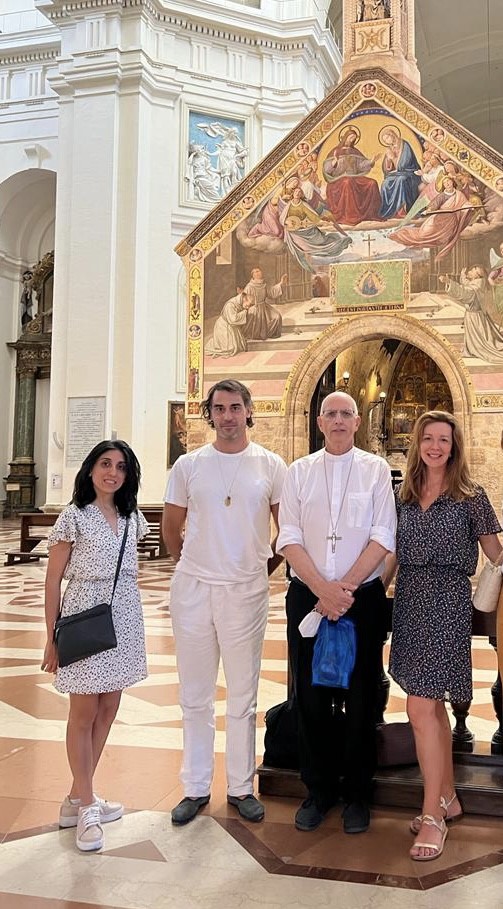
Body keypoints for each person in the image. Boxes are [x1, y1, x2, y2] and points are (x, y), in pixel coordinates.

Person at [163, 379, 287, 826]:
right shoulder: (189, 465)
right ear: (209, 413)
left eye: (236, 407)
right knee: (195, 695)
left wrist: (257, 569)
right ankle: (195, 787)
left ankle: (240, 787)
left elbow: (285, 531)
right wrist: (196, 565)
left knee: (242, 695)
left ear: (249, 411)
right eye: (220, 408)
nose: (229, 416)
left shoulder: (271, 465)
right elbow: (170, 528)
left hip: (246, 591)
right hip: (194, 589)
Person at [277, 391, 396, 835]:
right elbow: (287, 536)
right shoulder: (299, 472)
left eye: (347, 413)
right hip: (308, 593)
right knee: (310, 697)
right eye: (332, 414)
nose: (340, 420)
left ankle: (357, 794)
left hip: (359, 599)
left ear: (359, 421)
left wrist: (342, 590)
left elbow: (383, 535)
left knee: (361, 695)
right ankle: (318, 790)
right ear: (320, 422)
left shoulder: (375, 470)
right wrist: (321, 589)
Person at [386, 412, 502, 861]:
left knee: (420, 706)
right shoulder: (404, 495)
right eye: (428, 439)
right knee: (429, 708)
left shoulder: (472, 497)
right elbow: (392, 554)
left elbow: (496, 553)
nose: (436, 447)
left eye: (444, 441)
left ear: (455, 447)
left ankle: (431, 816)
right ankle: (448, 798)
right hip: (411, 601)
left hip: (447, 602)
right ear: (418, 444)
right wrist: (371, 594)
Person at [41, 440, 149, 852]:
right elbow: (53, 580)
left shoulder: (131, 517)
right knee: (83, 711)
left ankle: (77, 797)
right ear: (90, 470)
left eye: (120, 467)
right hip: (85, 615)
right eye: (105, 464)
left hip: (124, 615)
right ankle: (87, 805)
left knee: (109, 708)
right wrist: (51, 636)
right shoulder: (73, 517)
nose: (112, 473)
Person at [439, 266, 503, 362]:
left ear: (477, 276)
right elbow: (467, 285)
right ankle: (473, 349)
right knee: (480, 340)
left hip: (474, 318)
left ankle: (475, 350)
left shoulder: (474, 288)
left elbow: (463, 292)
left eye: (473, 270)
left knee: (480, 343)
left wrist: (449, 282)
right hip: (476, 316)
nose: (470, 271)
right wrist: (463, 276)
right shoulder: (477, 284)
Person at [322, 127, 382, 225]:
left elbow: (360, 165)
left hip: (354, 177)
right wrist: (334, 162)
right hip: (338, 180)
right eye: (350, 137)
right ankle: (351, 215)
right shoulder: (335, 151)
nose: (351, 140)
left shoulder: (355, 152)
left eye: (353, 138)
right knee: (347, 182)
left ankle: (371, 214)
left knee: (372, 183)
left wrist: (371, 161)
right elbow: (327, 170)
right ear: (345, 137)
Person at [378, 126, 421, 219]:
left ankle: (402, 210)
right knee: (385, 183)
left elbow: (405, 163)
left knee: (401, 180)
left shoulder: (404, 145)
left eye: (387, 138)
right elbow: (386, 169)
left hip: (410, 172)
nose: (387, 141)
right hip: (397, 173)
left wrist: (393, 157)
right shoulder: (390, 149)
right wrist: (388, 160)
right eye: (385, 140)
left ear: (392, 135)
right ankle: (390, 211)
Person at [243, 267, 287, 340]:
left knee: (277, 317)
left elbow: (271, 293)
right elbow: (244, 298)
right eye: (255, 272)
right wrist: (248, 305)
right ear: (253, 275)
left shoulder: (264, 285)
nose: (258, 273)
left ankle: (269, 333)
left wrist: (281, 283)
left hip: (264, 306)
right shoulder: (249, 286)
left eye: (259, 271)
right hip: (254, 308)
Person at [205, 290, 252, 357]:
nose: (248, 307)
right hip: (223, 326)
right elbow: (233, 319)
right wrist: (244, 312)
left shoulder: (239, 303)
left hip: (231, 325)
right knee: (229, 349)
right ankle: (213, 344)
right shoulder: (230, 305)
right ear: (244, 300)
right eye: (248, 305)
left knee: (239, 346)